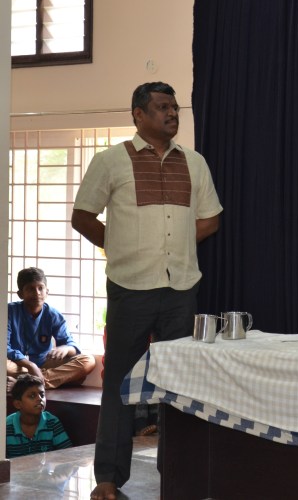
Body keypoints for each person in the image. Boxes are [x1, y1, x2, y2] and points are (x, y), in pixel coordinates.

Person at [71, 82, 223, 500]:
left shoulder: (194, 162)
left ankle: (177, 474)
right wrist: (120, 247)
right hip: (130, 289)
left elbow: (210, 219)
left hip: (181, 289)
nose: (172, 113)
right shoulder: (111, 161)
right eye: (162, 107)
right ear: (138, 114)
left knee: (179, 386)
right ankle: (108, 478)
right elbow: (82, 216)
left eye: (175, 107)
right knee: (119, 384)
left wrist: (177, 248)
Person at [7, 267, 96, 391]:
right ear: (20, 294)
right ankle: (40, 381)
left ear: (47, 292)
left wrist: (65, 348)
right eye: (30, 289)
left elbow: (71, 346)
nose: (37, 293)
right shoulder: (9, 311)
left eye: (40, 288)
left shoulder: (53, 315)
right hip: (18, 364)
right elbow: (4, 348)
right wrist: (31, 366)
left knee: (88, 361)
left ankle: (24, 385)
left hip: (44, 362)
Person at [6, 373, 73, 458]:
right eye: (32, 396)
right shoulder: (6, 425)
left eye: (42, 395)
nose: (39, 399)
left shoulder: (52, 422)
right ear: (18, 404)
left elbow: (68, 454)